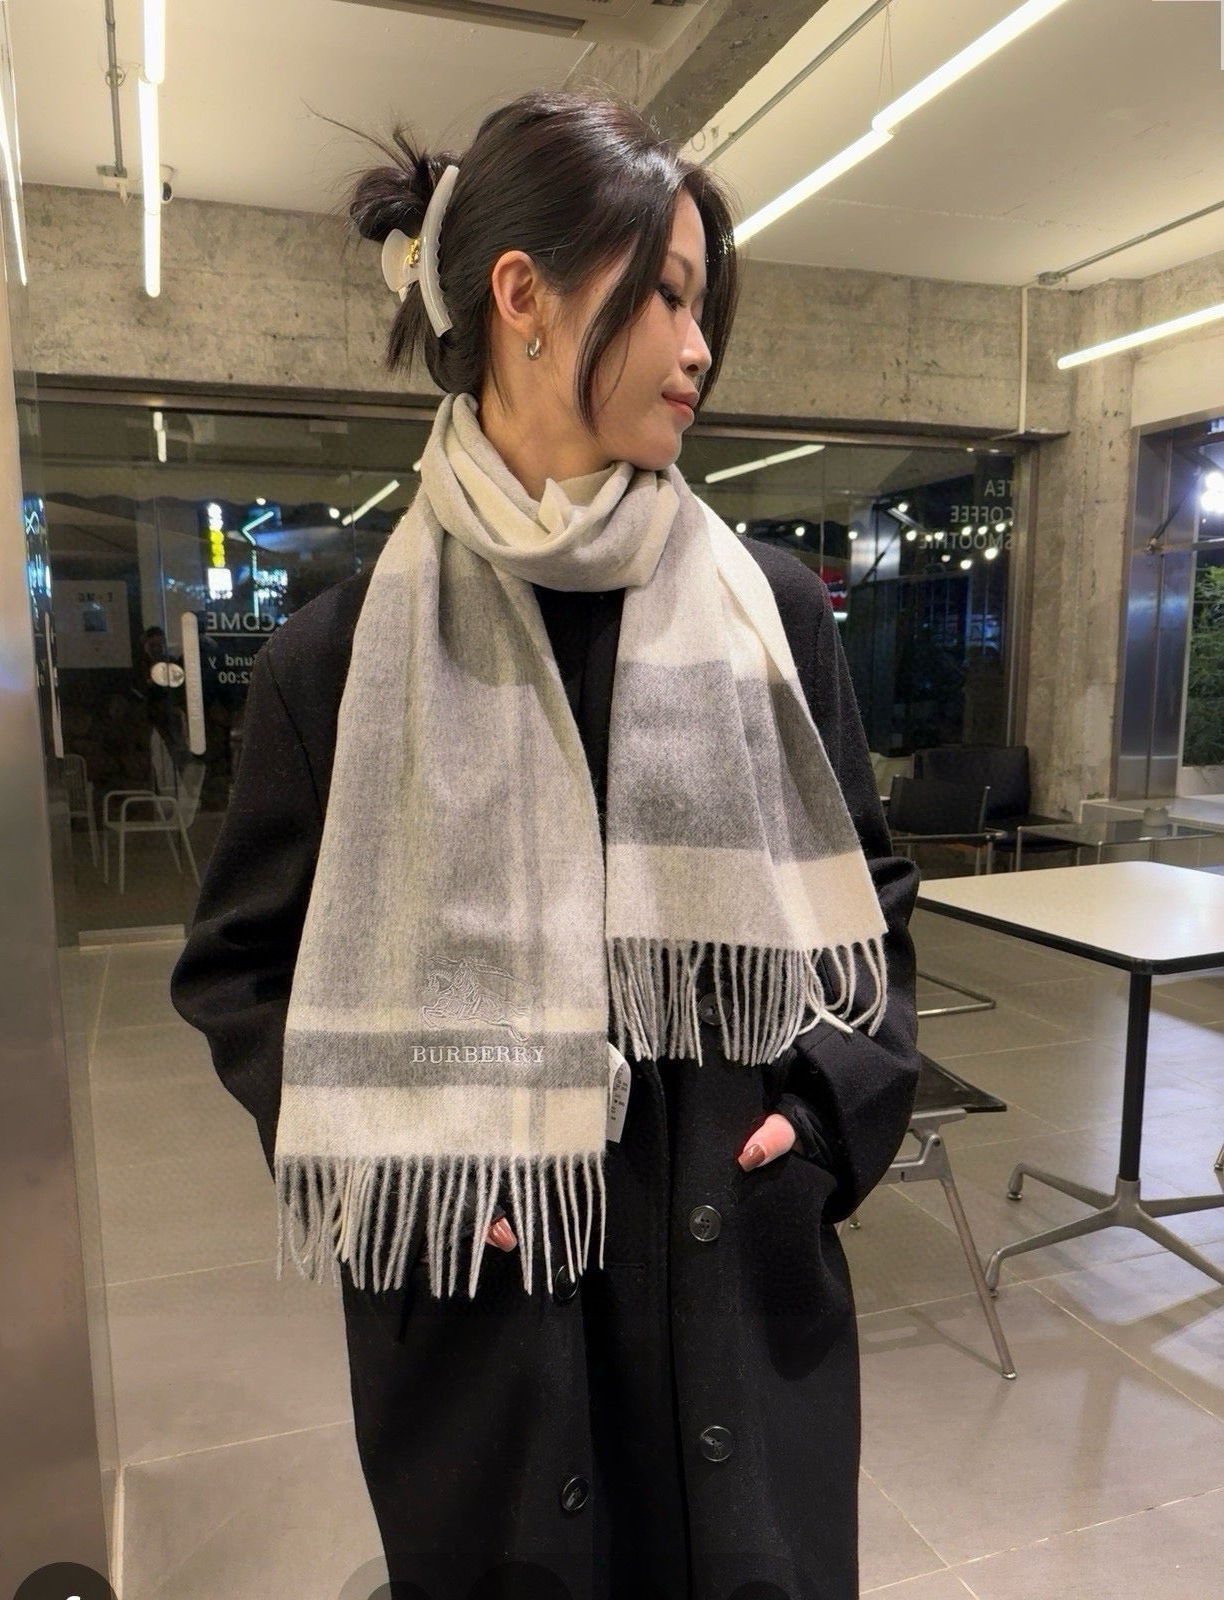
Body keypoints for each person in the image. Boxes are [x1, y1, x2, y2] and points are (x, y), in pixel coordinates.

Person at [170, 88, 921, 1600]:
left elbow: (872, 907)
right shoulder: (343, 654)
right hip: (489, 1303)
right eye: (667, 296)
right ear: (522, 295)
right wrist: (405, 1162)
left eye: (701, 305)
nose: (699, 348)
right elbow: (243, 971)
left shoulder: (766, 616)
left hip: (731, 1271)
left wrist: (826, 1120)